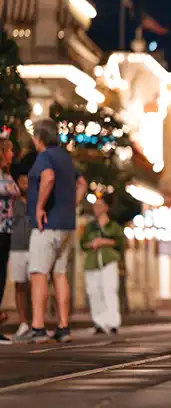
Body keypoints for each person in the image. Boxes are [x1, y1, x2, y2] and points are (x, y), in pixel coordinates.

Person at [23, 118, 87, 344]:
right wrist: (71, 205)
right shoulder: (65, 157)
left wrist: (40, 207)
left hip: (47, 225)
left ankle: (38, 327)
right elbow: (82, 183)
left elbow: (48, 177)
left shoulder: (45, 156)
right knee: (59, 274)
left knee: (38, 273)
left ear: (39, 137)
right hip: (66, 225)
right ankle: (63, 326)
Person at [80, 194, 124, 335]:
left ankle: (112, 322)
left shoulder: (114, 226)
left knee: (109, 290)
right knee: (94, 292)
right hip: (92, 263)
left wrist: (104, 242)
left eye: (99, 205)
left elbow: (120, 243)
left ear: (106, 207)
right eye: (95, 205)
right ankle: (99, 322)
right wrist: (92, 244)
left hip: (108, 261)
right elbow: (82, 244)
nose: (96, 208)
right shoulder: (90, 227)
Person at [8, 169, 32, 340]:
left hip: (34, 247)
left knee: (36, 284)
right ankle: (23, 322)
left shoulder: (37, 200)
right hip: (16, 247)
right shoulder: (12, 201)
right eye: (23, 182)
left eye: (28, 182)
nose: (26, 185)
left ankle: (37, 321)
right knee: (20, 285)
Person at [0, 137, 19, 342]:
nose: (12, 154)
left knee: (1, 276)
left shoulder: (6, 174)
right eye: (9, 150)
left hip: (6, 230)